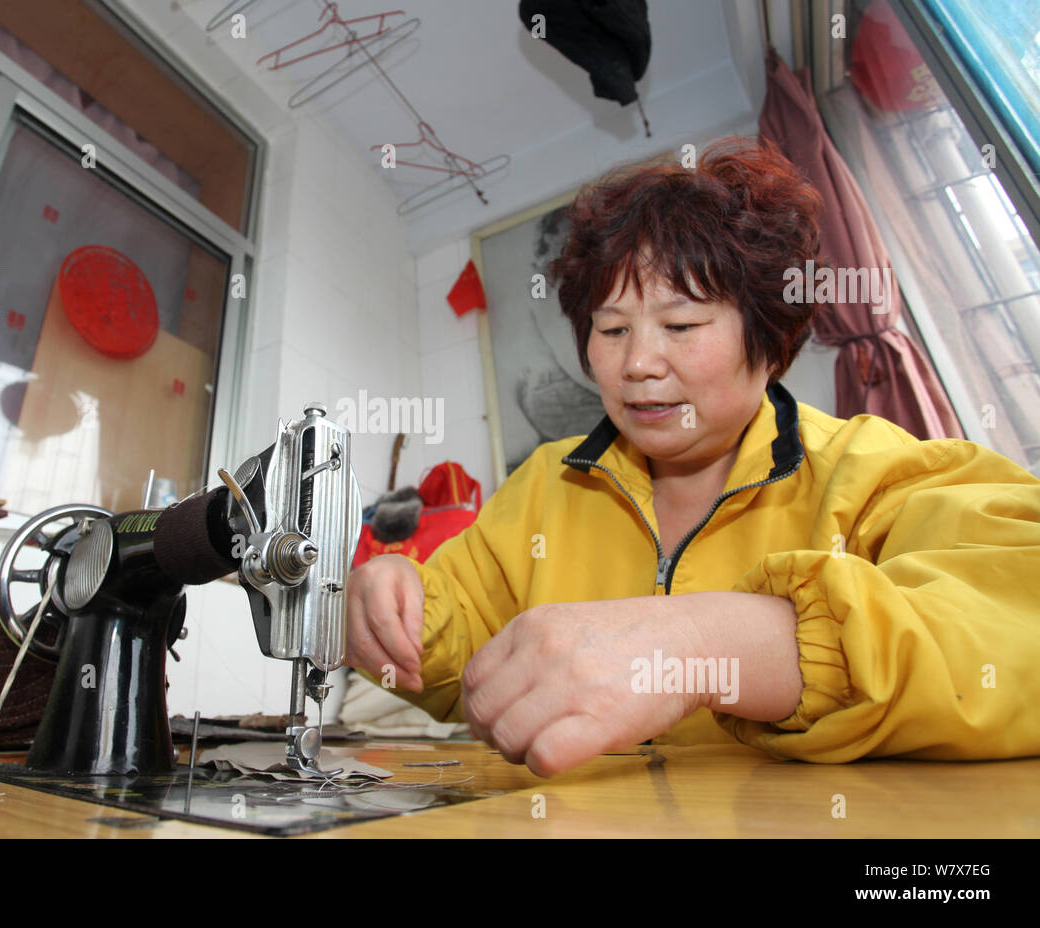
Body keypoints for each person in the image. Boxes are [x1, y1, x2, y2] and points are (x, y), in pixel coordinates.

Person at [344, 138, 1040, 777]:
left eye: (681, 325)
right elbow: (459, 652)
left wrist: (710, 647)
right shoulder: (547, 485)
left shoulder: (871, 471)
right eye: (611, 328)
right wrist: (393, 617)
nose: (638, 363)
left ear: (769, 341)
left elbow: (1014, 619)